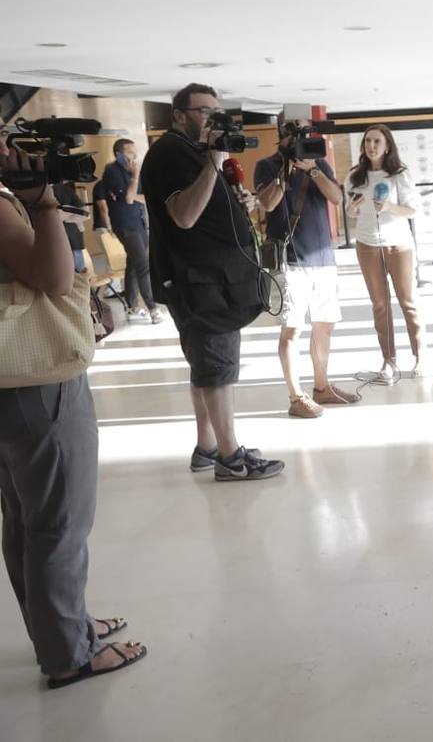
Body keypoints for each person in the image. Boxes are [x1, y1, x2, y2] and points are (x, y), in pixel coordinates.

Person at [0, 132, 148, 688]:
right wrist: (42, 202)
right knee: (58, 524)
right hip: (37, 382)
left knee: (25, 519)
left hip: (10, 386)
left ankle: (58, 627)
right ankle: (69, 652)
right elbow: (54, 277)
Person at [139, 83, 285, 481]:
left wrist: (232, 200)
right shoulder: (170, 152)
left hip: (212, 280)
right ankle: (230, 457)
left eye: (217, 113)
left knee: (207, 366)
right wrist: (214, 162)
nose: (211, 120)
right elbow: (183, 215)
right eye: (204, 112)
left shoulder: (193, 153)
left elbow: (202, 208)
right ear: (179, 114)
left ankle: (208, 445)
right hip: (198, 283)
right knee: (217, 367)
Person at [254, 120, 360, 418]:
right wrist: (285, 175)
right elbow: (268, 204)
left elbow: (337, 198)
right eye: (293, 133)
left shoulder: (319, 161)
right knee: (292, 328)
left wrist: (312, 169)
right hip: (290, 259)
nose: (299, 138)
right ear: (281, 136)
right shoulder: (267, 165)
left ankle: (322, 387)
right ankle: (295, 395)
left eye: (303, 133)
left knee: (324, 323)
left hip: (322, 256)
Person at [345, 124, 424, 382]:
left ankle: (420, 355)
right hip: (367, 245)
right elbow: (351, 212)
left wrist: (389, 206)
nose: (372, 146)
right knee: (380, 305)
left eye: (377, 141)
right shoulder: (354, 176)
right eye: (368, 141)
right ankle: (388, 360)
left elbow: (411, 210)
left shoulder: (399, 175)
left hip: (399, 245)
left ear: (387, 145)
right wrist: (352, 210)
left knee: (407, 302)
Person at [97, 139, 162, 323]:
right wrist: (134, 178)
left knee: (133, 265)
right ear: (119, 154)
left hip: (139, 223)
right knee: (143, 264)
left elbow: (143, 196)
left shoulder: (132, 172)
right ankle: (153, 308)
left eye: (135, 152)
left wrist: (134, 192)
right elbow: (128, 198)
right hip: (125, 225)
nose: (134, 156)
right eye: (130, 153)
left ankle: (132, 306)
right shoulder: (112, 171)